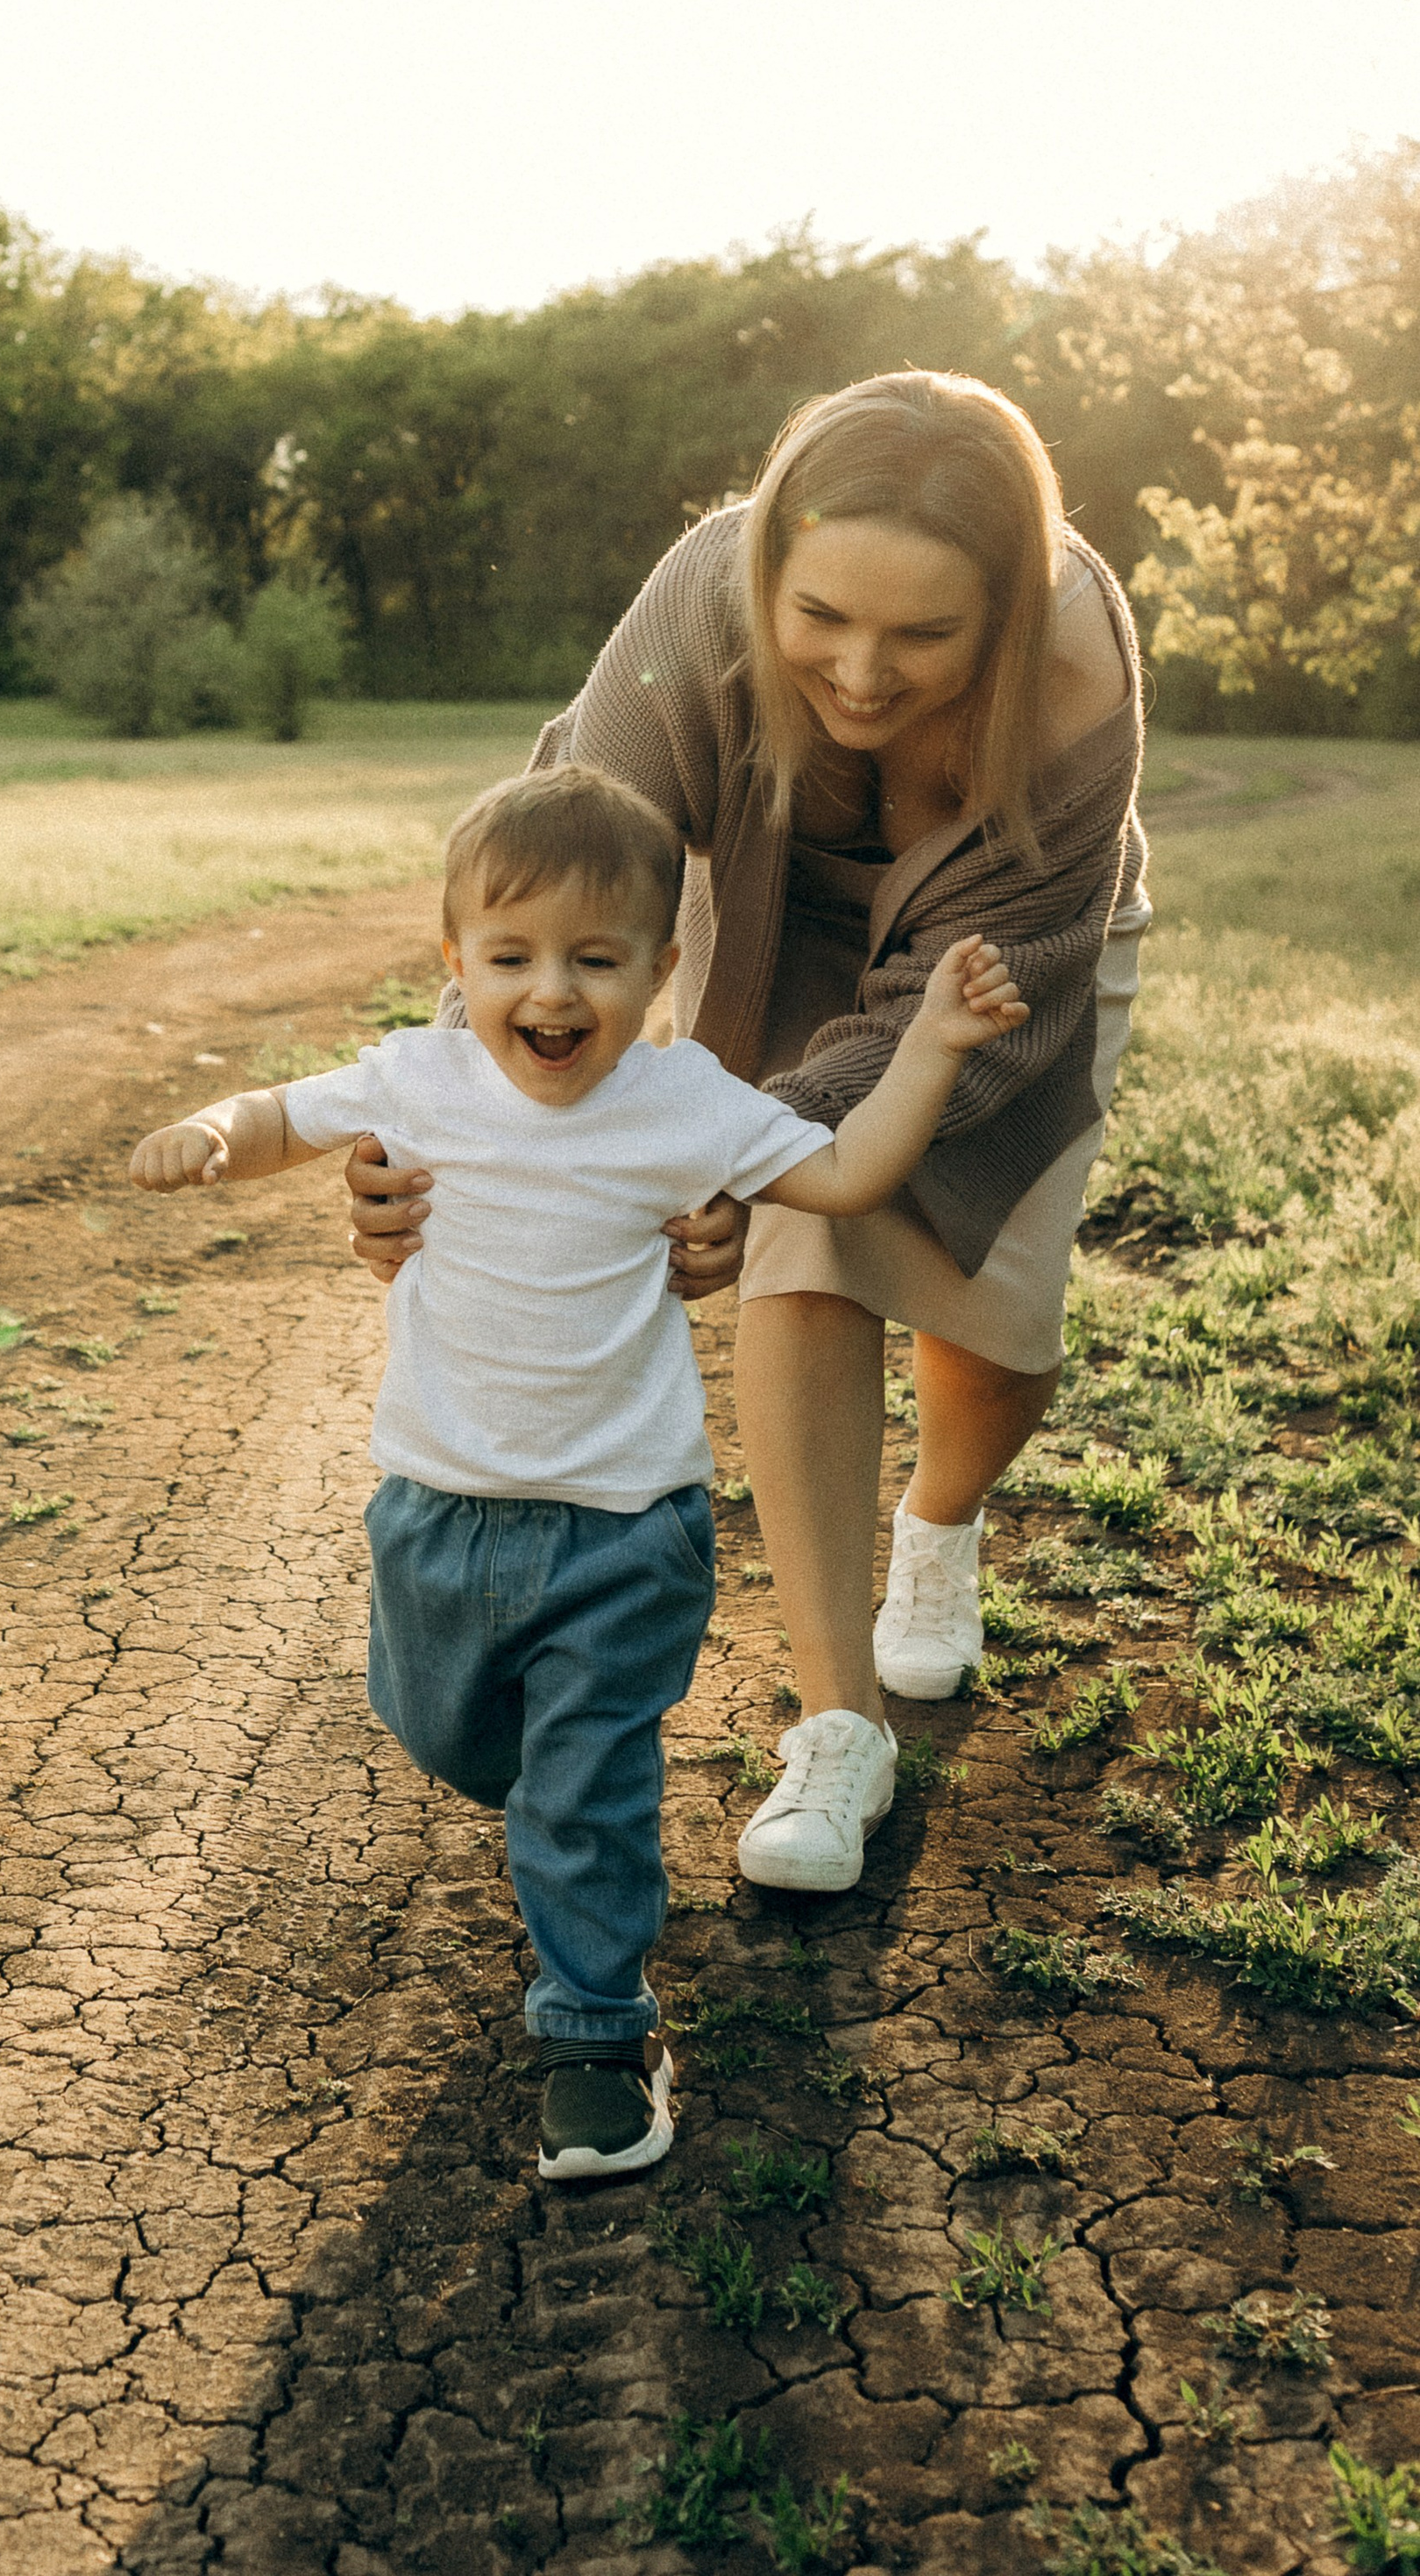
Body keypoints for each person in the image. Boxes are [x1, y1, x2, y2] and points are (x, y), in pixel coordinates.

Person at [132, 765, 1026, 2178]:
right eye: (511, 958)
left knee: (586, 1789)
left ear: (662, 971)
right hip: (436, 1515)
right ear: (456, 965)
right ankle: (561, 1817)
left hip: (623, 1530)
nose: (552, 993)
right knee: (438, 1731)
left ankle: (600, 2038)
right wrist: (210, 1136)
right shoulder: (417, 1078)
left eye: (595, 960)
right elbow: (278, 1119)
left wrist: (931, 1044)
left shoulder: (687, 1104)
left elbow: (848, 1176)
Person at [348, 373, 1147, 1895]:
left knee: (997, 1332)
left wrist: (736, 1140)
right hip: (779, 928)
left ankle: (942, 1516)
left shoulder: (1071, 670)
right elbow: (569, 848)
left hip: (1004, 964)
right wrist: (446, 1131)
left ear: (1008, 606)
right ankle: (840, 1727)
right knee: (808, 1231)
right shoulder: (704, 589)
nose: (859, 671)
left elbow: (980, 988)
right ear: (767, 565)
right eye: (823, 616)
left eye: (923, 635)